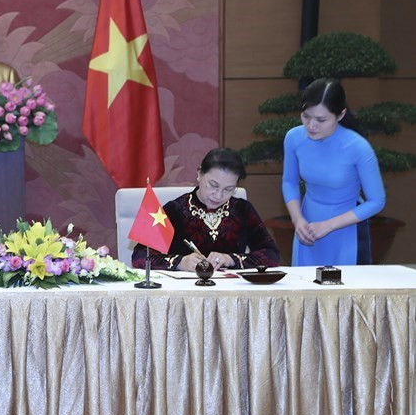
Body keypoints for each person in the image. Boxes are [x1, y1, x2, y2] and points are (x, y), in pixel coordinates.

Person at [282, 77, 385, 265]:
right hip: (307, 227)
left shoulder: (358, 147)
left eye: (321, 119)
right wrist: (297, 220)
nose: (311, 126)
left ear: (340, 114)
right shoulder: (294, 138)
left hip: (346, 229)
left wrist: (328, 226)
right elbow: (289, 182)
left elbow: (377, 201)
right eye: (306, 116)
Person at [132, 148, 280, 271]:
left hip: (231, 293)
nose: (218, 195)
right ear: (199, 174)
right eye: (213, 185)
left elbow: (271, 255)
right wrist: (181, 262)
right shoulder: (175, 210)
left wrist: (231, 259)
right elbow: (140, 257)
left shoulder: (242, 209)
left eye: (229, 189)